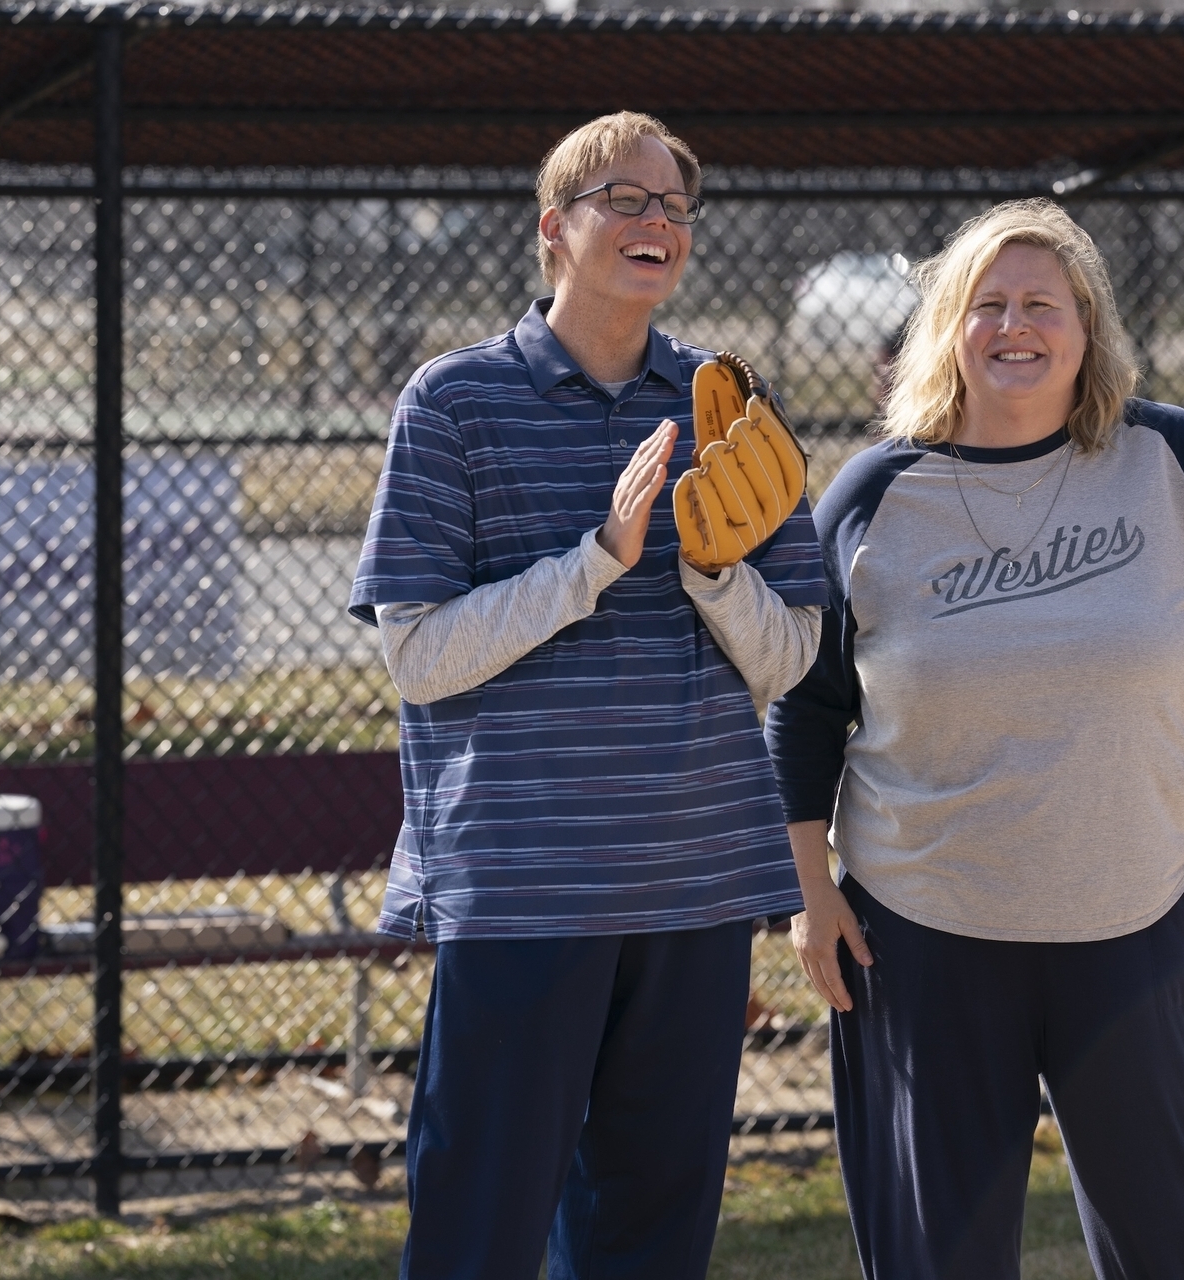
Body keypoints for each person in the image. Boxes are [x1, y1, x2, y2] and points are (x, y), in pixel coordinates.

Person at [765, 199, 1184, 1280]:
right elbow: (805, 706)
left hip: (1131, 919)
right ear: (948, 328)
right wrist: (811, 893)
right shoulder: (877, 491)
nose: (1015, 325)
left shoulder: (1167, 457)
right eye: (987, 303)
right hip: (923, 929)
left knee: (1179, 1255)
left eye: (1044, 302)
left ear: (1089, 329)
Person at [349, 112, 826, 1279]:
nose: (655, 221)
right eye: (626, 198)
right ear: (555, 229)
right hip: (523, 885)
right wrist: (597, 560)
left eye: (673, 206)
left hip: (695, 881)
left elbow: (791, 658)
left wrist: (714, 573)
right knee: (480, 1223)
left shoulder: (733, 408)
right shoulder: (453, 402)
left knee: (648, 1234)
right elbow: (418, 657)